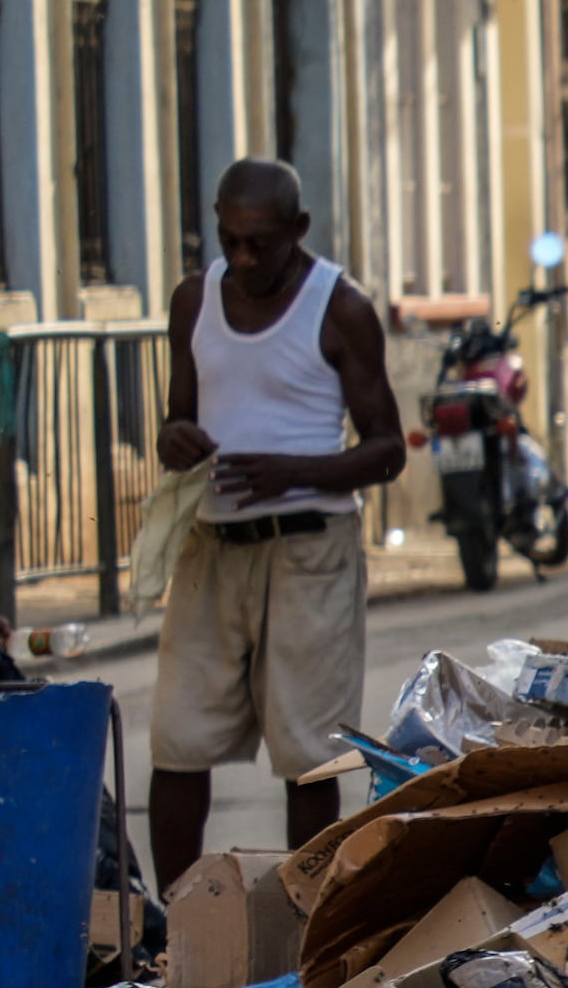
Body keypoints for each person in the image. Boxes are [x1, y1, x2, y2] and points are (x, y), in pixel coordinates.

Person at [147, 160, 402, 887]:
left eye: (260, 242)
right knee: (177, 738)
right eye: (230, 239)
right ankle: (179, 921)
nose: (244, 257)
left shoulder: (340, 308)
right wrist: (174, 439)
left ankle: (305, 921)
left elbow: (386, 449)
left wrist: (293, 472)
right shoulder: (195, 300)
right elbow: (178, 418)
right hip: (212, 546)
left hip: (309, 551)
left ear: (298, 230)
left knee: (306, 753)